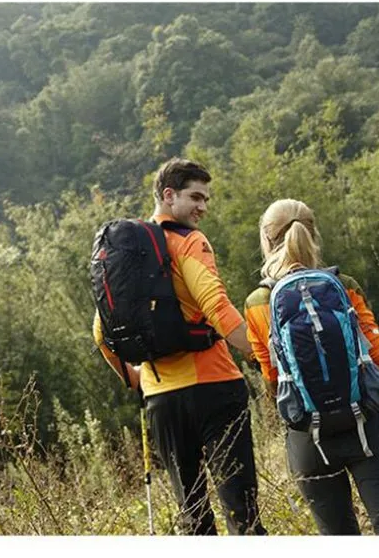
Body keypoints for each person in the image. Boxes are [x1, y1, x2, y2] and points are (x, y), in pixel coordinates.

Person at [93, 157, 267, 535]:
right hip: (215, 389)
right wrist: (265, 357)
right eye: (196, 197)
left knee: (193, 514)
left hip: (161, 400)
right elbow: (217, 307)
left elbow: (102, 333)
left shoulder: (125, 256)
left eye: (206, 199)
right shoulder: (189, 242)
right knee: (243, 511)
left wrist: (134, 377)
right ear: (168, 195)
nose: (203, 207)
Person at [243, 199, 379, 535]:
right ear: (314, 234)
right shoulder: (344, 284)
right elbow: (378, 355)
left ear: (265, 241)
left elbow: (272, 375)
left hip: (309, 437)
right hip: (366, 423)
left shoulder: (258, 303)